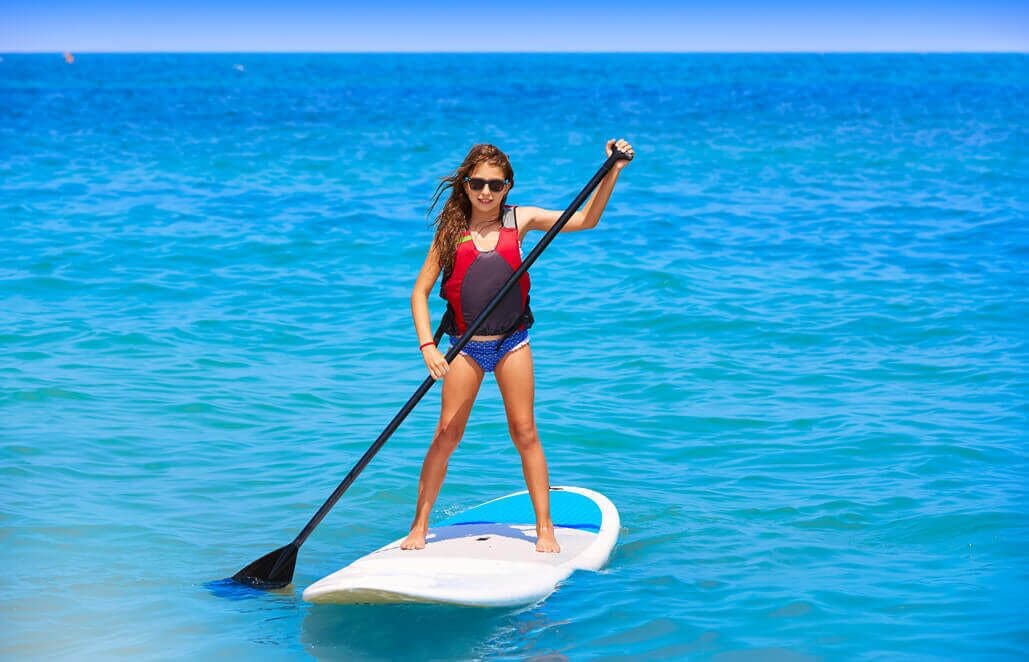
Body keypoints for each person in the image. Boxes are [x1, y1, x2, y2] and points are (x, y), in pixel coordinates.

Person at [401, 139, 634, 553]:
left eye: (495, 184)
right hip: (464, 348)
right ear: (465, 185)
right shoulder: (450, 232)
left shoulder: (519, 219)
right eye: (477, 183)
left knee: (524, 431)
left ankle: (545, 527)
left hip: (512, 342)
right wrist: (428, 348)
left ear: (507, 186)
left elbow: (586, 220)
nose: (486, 192)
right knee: (447, 434)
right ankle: (419, 525)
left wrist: (612, 171)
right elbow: (419, 293)